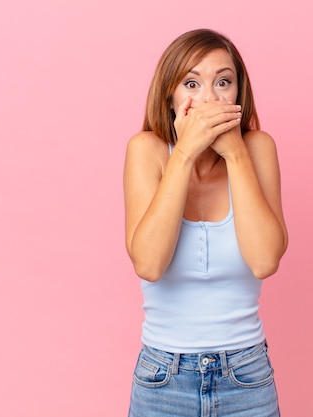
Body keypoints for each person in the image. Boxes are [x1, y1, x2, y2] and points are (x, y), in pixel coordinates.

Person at [124, 28, 288, 417]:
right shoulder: (146, 150)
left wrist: (235, 154)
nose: (210, 98)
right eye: (192, 83)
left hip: (246, 376)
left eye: (223, 82)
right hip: (163, 377)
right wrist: (183, 153)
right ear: (171, 96)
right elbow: (148, 264)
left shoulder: (258, 148)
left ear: (238, 95)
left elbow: (265, 260)